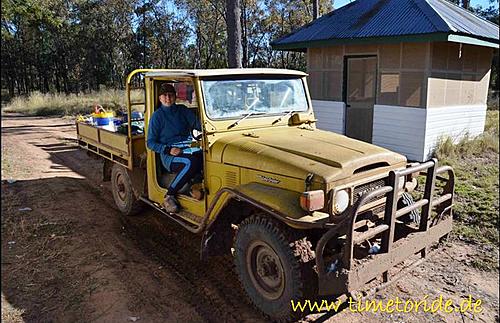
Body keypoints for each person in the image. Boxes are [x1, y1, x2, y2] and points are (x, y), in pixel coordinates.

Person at [147, 83, 203, 213]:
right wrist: (168, 150)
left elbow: (198, 124)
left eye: (170, 95)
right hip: (170, 155)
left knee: (207, 156)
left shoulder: (182, 110)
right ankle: (169, 195)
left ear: (175, 96)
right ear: (160, 98)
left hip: (189, 148)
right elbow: (150, 142)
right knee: (190, 162)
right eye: (164, 95)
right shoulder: (157, 116)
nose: (168, 98)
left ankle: (194, 186)